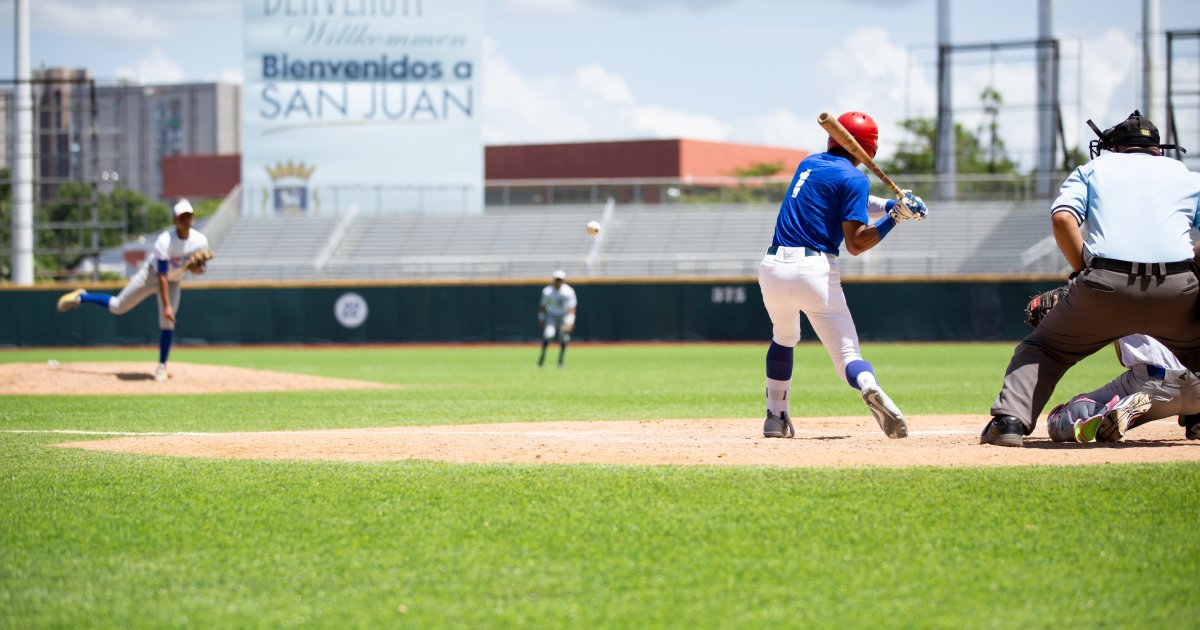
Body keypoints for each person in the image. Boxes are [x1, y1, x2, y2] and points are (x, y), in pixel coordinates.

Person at [982, 110, 1200, 447]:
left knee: (1045, 348)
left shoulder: (1093, 168)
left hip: (1104, 281)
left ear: (1113, 148)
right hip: (1179, 284)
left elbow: (1063, 219)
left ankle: (1010, 422)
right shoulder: (1186, 174)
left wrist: (1081, 271)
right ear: (1158, 149)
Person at [758, 110, 928, 440]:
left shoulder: (809, 164)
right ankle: (867, 384)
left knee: (784, 337)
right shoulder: (855, 179)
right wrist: (894, 218)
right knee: (848, 355)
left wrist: (895, 204)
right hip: (814, 271)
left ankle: (775, 419)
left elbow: (852, 199)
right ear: (870, 150)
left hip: (773, 268)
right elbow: (856, 243)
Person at [55, 199, 211, 382]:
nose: (186, 220)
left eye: (189, 216)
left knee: (168, 323)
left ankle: (162, 366)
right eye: (182, 217)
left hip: (174, 281)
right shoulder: (165, 241)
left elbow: (201, 269)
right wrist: (167, 305)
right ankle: (82, 296)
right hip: (151, 276)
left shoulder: (200, 241)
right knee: (117, 306)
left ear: (193, 218)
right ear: (174, 220)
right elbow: (161, 275)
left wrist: (197, 268)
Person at [1045, 334, 1200, 443]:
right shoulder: (1189, 290)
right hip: (1197, 383)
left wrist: (1060, 312)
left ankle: (1117, 408)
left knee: (1060, 421)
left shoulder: (1115, 291)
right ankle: (1195, 417)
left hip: (1151, 384)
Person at [537, 269, 577, 368]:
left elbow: (571, 308)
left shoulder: (569, 291)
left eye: (560, 280)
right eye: (557, 279)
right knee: (548, 334)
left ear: (563, 280)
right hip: (552, 315)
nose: (558, 282)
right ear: (553, 280)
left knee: (564, 337)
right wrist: (541, 319)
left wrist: (570, 322)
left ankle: (560, 361)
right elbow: (543, 306)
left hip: (564, 315)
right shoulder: (547, 291)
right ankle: (542, 358)